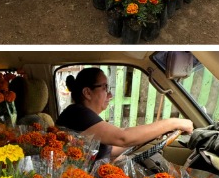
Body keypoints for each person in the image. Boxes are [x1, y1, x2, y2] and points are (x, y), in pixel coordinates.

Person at [57, 68, 194, 161]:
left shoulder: (84, 116)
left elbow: (111, 150)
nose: (110, 94)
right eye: (105, 88)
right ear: (87, 93)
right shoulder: (77, 114)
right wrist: (173, 122)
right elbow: (123, 138)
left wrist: (151, 135)